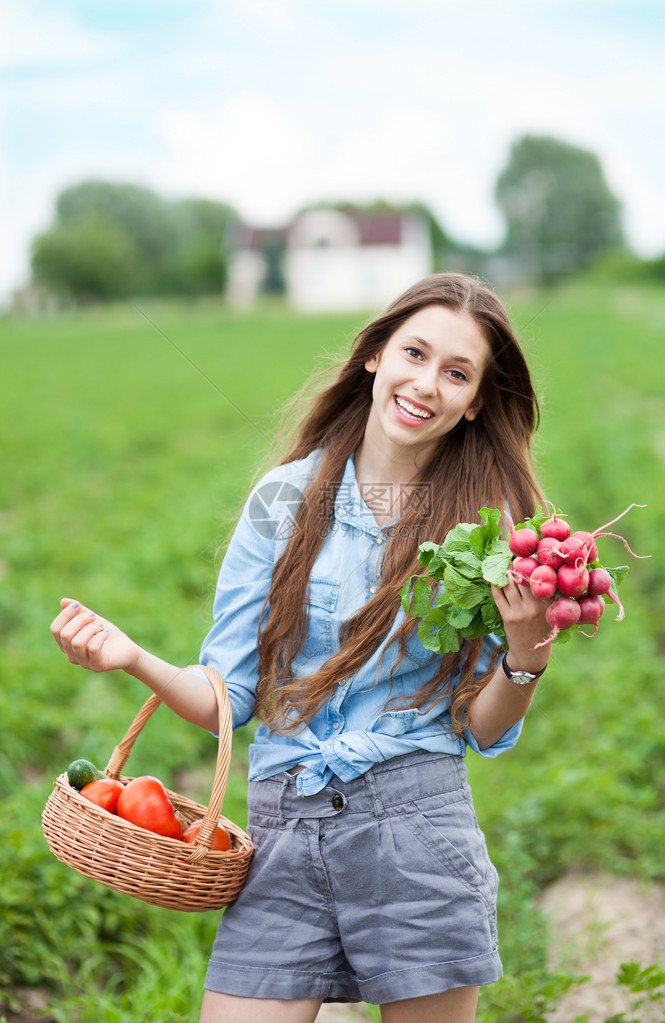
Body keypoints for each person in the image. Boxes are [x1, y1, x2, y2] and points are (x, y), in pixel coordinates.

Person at [51, 273, 553, 1023]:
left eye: (457, 372)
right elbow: (230, 696)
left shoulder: (485, 535)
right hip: (284, 833)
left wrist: (526, 652)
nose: (427, 383)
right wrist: (132, 657)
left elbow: (483, 726)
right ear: (376, 356)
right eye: (414, 353)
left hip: (417, 829)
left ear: (476, 398)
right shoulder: (283, 501)